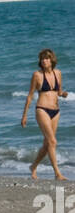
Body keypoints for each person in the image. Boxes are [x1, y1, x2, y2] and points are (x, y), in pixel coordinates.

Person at [22, 48, 67, 181]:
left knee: (47, 144)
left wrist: (63, 94)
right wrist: (24, 115)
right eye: (42, 59)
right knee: (53, 141)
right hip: (42, 109)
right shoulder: (37, 75)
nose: (44, 61)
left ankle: (33, 166)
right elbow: (30, 96)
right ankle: (57, 173)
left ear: (51, 59)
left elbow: (58, 91)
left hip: (56, 111)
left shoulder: (58, 73)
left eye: (46, 58)